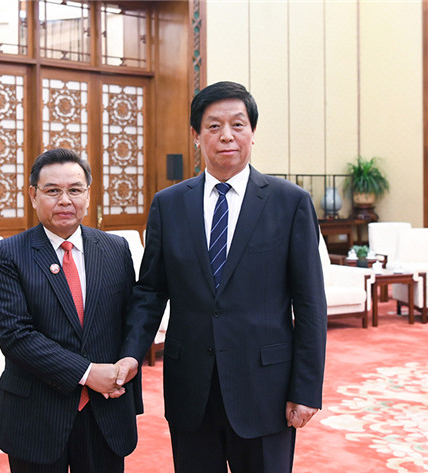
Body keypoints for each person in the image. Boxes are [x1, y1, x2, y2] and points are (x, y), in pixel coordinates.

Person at [116, 81, 327, 473]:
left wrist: (306, 388)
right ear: (196, 136)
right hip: (190, 388)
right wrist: (131, 353)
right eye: (213, 126)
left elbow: (310, 303)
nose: (226, 135)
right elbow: (150, 291)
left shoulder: (290, 202)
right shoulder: (169, 205)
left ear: (252, 132)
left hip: (265, 390)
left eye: (237, 124)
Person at [0, 148, 141, 473]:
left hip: (106, 412)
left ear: (88, 194)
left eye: (74, 190)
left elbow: (131, 320)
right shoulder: (7, 254)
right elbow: (15, 336)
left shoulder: (116, 249)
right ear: (33, 195)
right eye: (53, 191)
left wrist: (127, 368)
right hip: (36, 415)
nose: (65, 201)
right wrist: (87, 373)